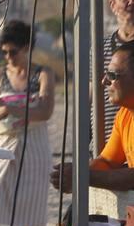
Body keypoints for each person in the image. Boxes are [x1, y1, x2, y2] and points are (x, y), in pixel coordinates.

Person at [0, 20, 54, 226]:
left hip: (35, 146)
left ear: (27, 47)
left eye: (13, 52)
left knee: (33, 216)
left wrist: (12, 108)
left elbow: (45, 112)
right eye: (4, 52)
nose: (8, 57)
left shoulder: (43, 74)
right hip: (3, 144)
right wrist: (20, 108)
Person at [54, 40, 134, 196]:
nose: (104, 81)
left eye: (112, 75)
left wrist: (82, 177)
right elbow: (107, 162)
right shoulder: (124, 115)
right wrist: (73, 173)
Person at [102, 0, 134, 140]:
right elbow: (92, 96)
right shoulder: (101, 48)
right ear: (113, 5)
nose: (132, 2)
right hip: (108, 140)